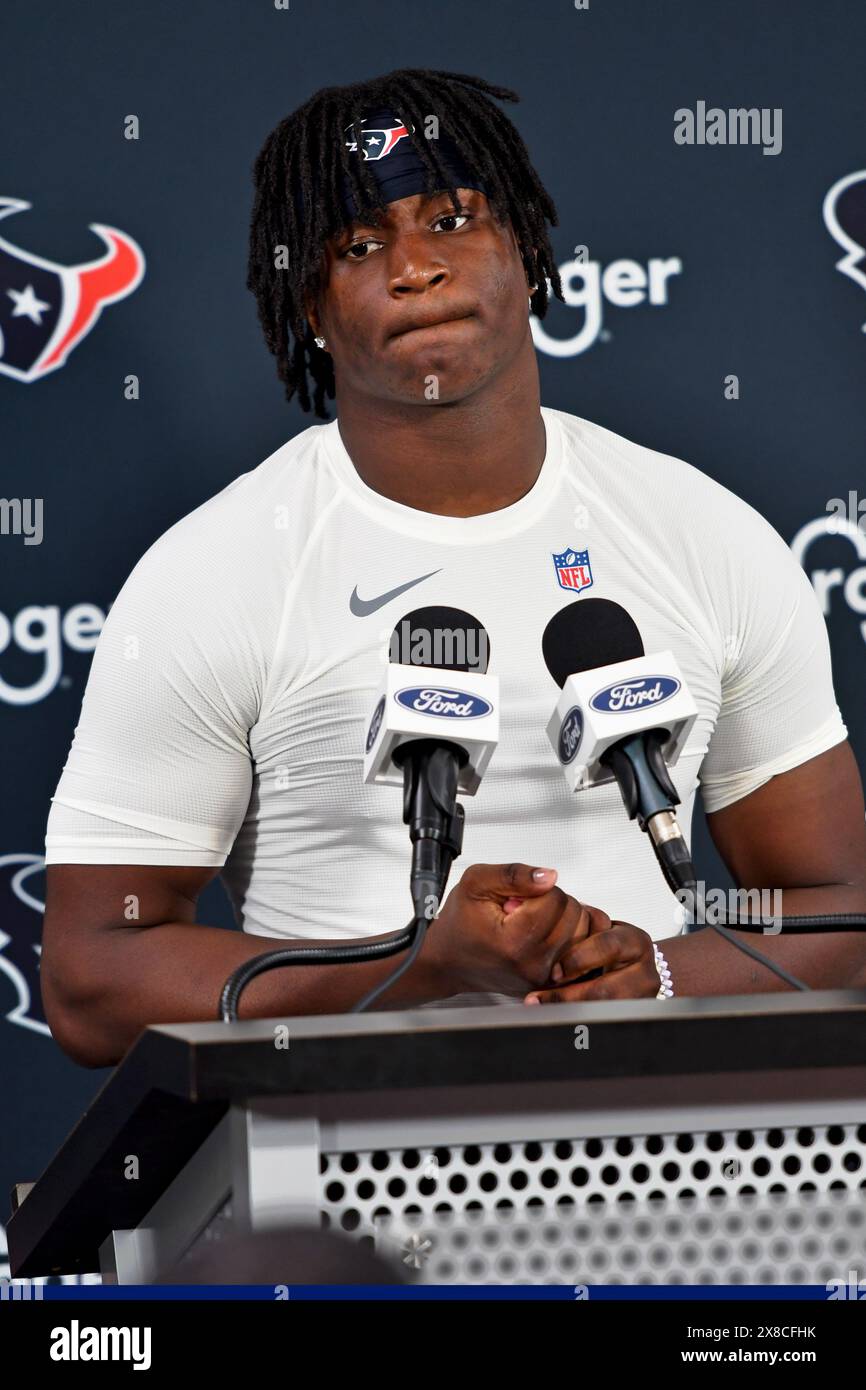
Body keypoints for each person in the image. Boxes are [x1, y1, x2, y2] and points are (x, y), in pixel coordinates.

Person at [41, 69, 866, 1068]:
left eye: (450, 220)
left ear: (524, 249)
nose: (414, 268)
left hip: (673, 1167)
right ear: (309, 304)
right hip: (333, 1181)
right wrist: (415, 969)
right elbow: (91, 979)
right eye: (357, 244)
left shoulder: (699, 532)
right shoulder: (216, 571)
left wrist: (653, 972)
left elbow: (837, 914)